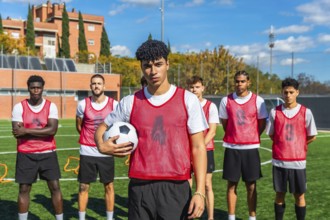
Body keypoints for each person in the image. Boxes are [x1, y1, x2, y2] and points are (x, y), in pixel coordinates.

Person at [94, 39, 208, 220]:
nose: (153, 71)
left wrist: (200, 191)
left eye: (158, 64)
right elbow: (102, 128)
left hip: (175, 188)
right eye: (147, 66)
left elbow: (199, 148)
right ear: (141, 67)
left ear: (168, 64)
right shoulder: (130, 102)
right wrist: (101, 146)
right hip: (140, 188)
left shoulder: (188, 100)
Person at [11, 75, 63, 220]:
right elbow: (17, 134)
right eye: (33, 87)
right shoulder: (19, 107)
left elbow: (52, 130)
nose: (35, 90)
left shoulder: (51, 106)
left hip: (48, 152)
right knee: (24, 189)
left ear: (42, 89)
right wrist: (42, 131)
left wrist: (27, 130)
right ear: (28, 88)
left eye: (38, 88)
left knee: (55, 187)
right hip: (26, 154)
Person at [218, 70, 268, 220]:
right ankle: (231, 217)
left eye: (242, 81)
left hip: (250, 149)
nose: (239, 84)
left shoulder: (258, 101)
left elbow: (261, 123)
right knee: (231, 185)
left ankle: (252, 217)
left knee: (251, 185)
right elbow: (225, 124)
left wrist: (251, 136)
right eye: (237, 81)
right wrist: (235, 136)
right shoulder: (226, 101)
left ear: (249, 82)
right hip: (232, 148)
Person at [266, 78, 317, 220]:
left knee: (299, 195)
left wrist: (299, 144)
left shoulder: (306, 112)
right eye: (285, 92)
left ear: (297, 93)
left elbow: (312, 136)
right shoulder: (274, 112)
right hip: (279, 161)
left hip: (298, 162)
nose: (288, 95)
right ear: (282, 93)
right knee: (279, 194)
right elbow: (271, 134)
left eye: (291, 92)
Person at [76, 74, 118, 220]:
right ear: (90, 86)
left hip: (106, 152)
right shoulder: (82, 104)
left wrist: (106, 143)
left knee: (109, 186)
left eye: (99, 83)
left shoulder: (114, 104)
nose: (96, 86)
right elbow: (79, 126)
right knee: (83, 187)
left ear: (104, 86)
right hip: (87, 151)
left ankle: (110, 218)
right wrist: (90, 140)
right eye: (94, 83)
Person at [187, 76, 219, 220]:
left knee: (206, 184)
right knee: (187, 184)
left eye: (197, 87)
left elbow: (212, 131)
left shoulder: (210, 106)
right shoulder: (186, 104)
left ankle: (210, 217)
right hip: (187, 151)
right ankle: (187, 214)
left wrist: (199, 147)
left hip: (205, 150)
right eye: (192, 87)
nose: (194, 90)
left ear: (203, 88)